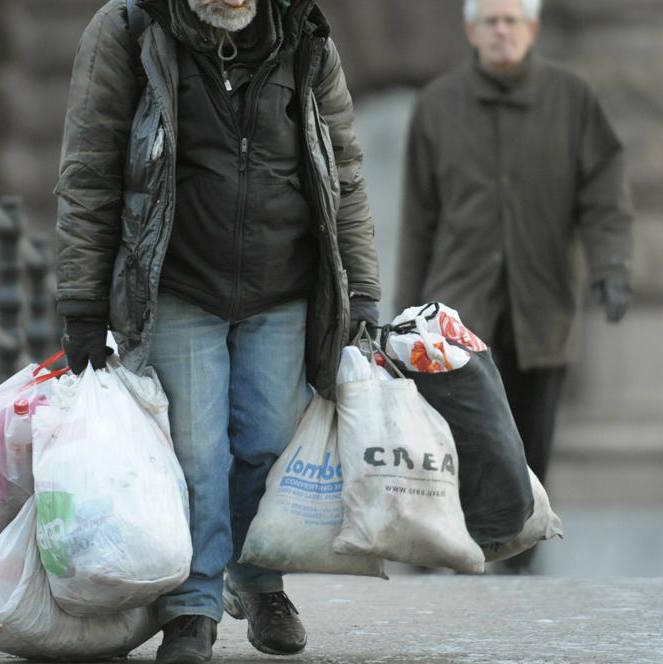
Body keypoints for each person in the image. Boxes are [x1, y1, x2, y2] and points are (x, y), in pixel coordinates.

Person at [55, 0, 381, 661]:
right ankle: (192, 608)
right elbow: (88, 173)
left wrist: (363, 284)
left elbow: (343, 168)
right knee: (199, 457)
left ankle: (260, 585)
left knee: (267, 448)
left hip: (283, 286)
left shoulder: (303, 31)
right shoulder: (128, 29)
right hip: (178, 284)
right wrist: (83, 302)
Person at [395, 0, 634, 572]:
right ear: (471, 29)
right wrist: (400, 318)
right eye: (491, 21)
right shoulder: (436, 106)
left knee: (532, 442)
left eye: (513, 21)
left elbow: (603, 195)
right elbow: (418, 222)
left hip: (542, 307)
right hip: (459, 314)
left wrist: (611, 268)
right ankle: (444, 551)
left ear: (533, 28)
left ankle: (520, 564)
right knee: (457, 440)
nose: (502, 31)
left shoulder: (572, 100)